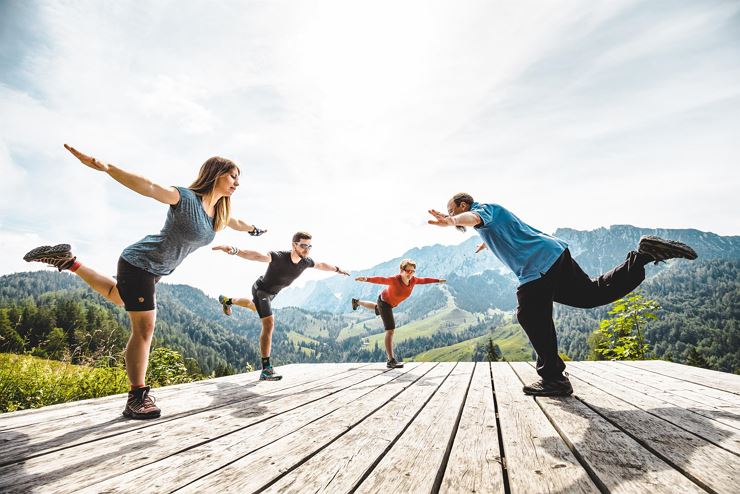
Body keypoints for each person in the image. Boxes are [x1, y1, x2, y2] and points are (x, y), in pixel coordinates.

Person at [23, 144, 266, 419]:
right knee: (144, 329)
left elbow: (237, 222)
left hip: (156, 269)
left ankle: (68, 261)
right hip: (140, 262)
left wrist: (254, 229)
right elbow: (148, 186)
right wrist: (107, 167)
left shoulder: (218, 214)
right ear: (216, 174)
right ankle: (137, 397)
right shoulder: (184, 198)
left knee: (117, 296)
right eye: (233, 175)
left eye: (238, 177)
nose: (237, 182)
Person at [428, 192, 697, 397]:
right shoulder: (490, 220)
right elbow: (503, 229)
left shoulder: (480, 210)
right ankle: (642, 257)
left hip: (538, 264)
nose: (452, 217)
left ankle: (554, 379)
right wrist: (488, 243)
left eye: (452, 211)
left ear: (463, 205)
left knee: (530, 315)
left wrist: (451, 220)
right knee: (590, 294)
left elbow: (473, 218)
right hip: (553, 254)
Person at [214, 232, 349, 381]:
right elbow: (256, 256)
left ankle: (228, 300)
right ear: (294, 245)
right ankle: (266, 369)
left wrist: (337, 269)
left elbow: (322, 265)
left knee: (253, 306)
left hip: (272, 293)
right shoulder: (278, 257)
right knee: (269, 323)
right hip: (261, 290)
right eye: (303, 245)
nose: (307, 249)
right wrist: (234, 250)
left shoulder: (306, 262)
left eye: (309, 246)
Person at [352, 259, 446, 368]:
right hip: (385, 303)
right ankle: (390, 360)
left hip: (389, 304)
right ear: (401, 270)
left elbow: (424, 280)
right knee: (390, 330)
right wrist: (366, 279)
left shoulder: (413, 280)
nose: (410, 274)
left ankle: (357, 302)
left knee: (377, 308)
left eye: (413, 271)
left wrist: (438, 280)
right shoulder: (395, 280)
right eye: (408, 271)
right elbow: (381, 280)